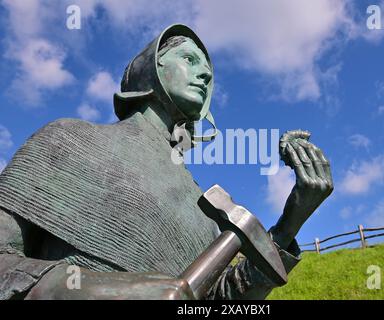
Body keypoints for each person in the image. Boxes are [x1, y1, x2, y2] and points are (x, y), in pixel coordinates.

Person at [0, 24, 333, 300]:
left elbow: (217, 300)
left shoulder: (201, 209)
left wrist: (291, 223)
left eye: (208, 74)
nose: (204, 76)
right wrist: (110, 291)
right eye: (189, 59)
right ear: (150, 69)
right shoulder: (68, 139)